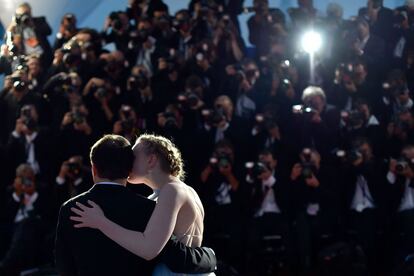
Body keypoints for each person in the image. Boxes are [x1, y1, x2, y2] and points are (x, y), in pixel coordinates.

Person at [55, 134, 216, 276]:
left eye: (132, 156)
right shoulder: (172, 192)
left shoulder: (172, 190)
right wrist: (209, 257)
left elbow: (149, 249)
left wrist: (101, 222)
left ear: (151, 160)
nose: (127, 162)